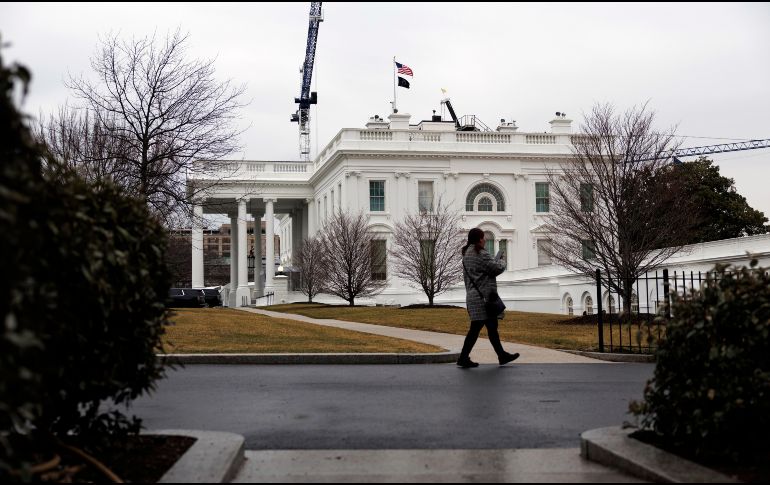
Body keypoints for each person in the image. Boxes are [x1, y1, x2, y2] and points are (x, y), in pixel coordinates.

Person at [457, 228, 520, 368]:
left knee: (490, 327)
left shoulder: (466, 253)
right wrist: (502, 261)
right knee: (476, 329)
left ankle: (501, 355)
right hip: (483, 298)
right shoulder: (480, 253)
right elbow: (496, 269)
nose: (485, 240)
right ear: (479, 239)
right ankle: (463, 358)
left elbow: (483, 271)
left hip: (473, 296)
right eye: (483, 237)